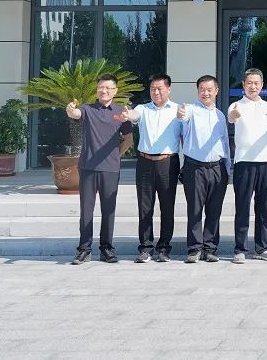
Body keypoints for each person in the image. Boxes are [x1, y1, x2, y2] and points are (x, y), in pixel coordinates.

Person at [67, 74, 134, 265]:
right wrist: (70, 110)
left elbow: (128, 139)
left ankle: (107, 249)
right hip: (88, 167)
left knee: (108, 210)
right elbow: (75, 114)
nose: (103, 91)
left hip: (110, 169)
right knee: (86, 211)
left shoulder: (121, 112)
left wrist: (115, 155)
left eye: (107, 88)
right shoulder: (87, 109)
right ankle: (84, 250)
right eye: (100, 88)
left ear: (115, 90)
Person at [121, 74, 183, 263]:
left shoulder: (178, 111)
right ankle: (146, 248)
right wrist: (128, 114)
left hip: (168, 162)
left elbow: (186, 138)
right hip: (145, 162)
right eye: (152, 89)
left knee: (167, 207)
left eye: (159, 89)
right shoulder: (143, 109)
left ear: (168, 89)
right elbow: (134, 115)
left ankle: (164, 248)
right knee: (145, 207)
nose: (156, 92)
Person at [177, 75, 230, 264]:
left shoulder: (220, 115)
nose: (205, 93)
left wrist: (227, 168)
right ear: (197, 91)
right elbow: (183, 117)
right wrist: (181, 114)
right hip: (195, 168)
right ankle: (194, 249)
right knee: (195, 210)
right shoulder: (191, 110)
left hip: (217, 168)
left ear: (216, 91)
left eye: (209, 89)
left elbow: (225, 142)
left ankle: (210, 248)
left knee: (214, 211)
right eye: (202, 90)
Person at [228, 68, 267, 264]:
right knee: (242, 207)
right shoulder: (236, 105)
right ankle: (240, 249)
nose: (253, 86)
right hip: (244, 163)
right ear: (243, 84)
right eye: (249, 83)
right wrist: (234, 115)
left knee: (262, 207)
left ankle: (262, 248)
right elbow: (232, 118)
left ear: (262, 85)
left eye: (256, 83)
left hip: (266, 162)